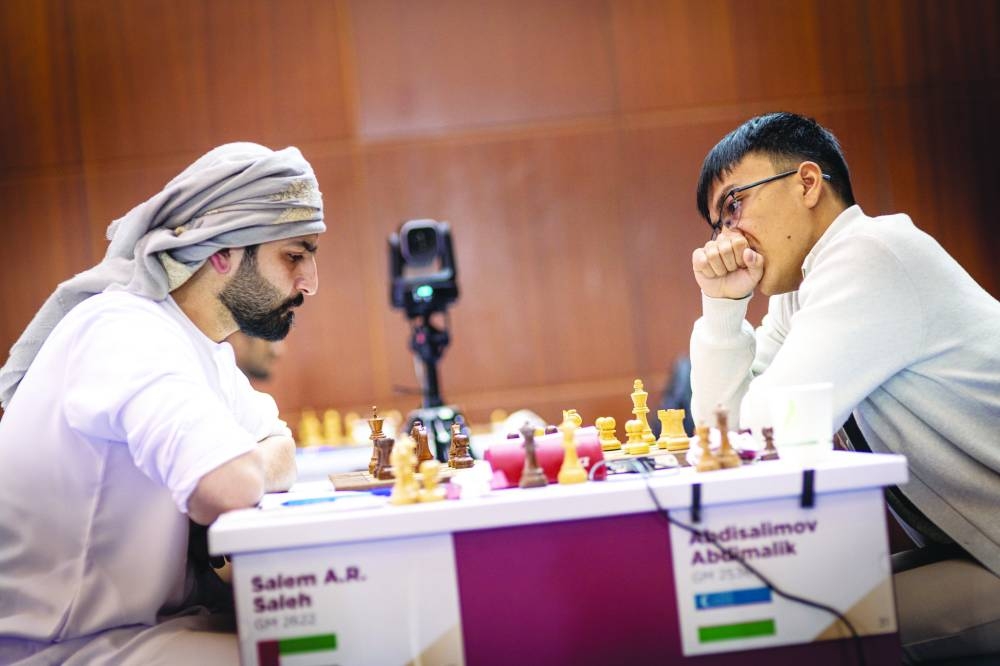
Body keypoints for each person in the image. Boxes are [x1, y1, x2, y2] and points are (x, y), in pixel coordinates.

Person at [688, 112, 1000, 662]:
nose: (727, 237)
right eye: (717, 224)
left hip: (988, 553)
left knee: (792, 624)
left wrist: (726, 310)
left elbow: (769, 434)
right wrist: (722, 308)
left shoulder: (870, 255)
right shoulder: (801, 289)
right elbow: (725, 438)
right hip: (975, 548)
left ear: (808, 183)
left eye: (734, 204)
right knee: (781, 609)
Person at [0, 143, 325, 664]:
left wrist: (251, 462)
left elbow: (281, 447)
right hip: (66, 649)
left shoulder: (201, 349)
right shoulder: (125, 331)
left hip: (146, 630)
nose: (310, 282)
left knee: (332, 635)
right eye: (294, 255)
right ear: (221, 251)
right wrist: (248, 463)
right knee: (328, 653)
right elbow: (223, 487)